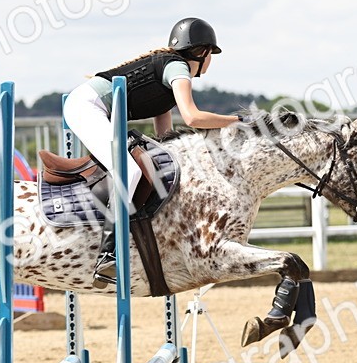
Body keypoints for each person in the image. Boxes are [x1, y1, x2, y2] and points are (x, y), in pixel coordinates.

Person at [62, 17, 240, 286]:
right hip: (87, 107)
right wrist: (237, 121)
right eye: (211, 55)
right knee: (130, 172)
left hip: (92, 107)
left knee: (154, 168)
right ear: (203, 52)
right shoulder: (178, 69)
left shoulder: (169, 76)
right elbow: (192, 117)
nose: (211, 60)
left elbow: (165, 137)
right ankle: (108, 254)